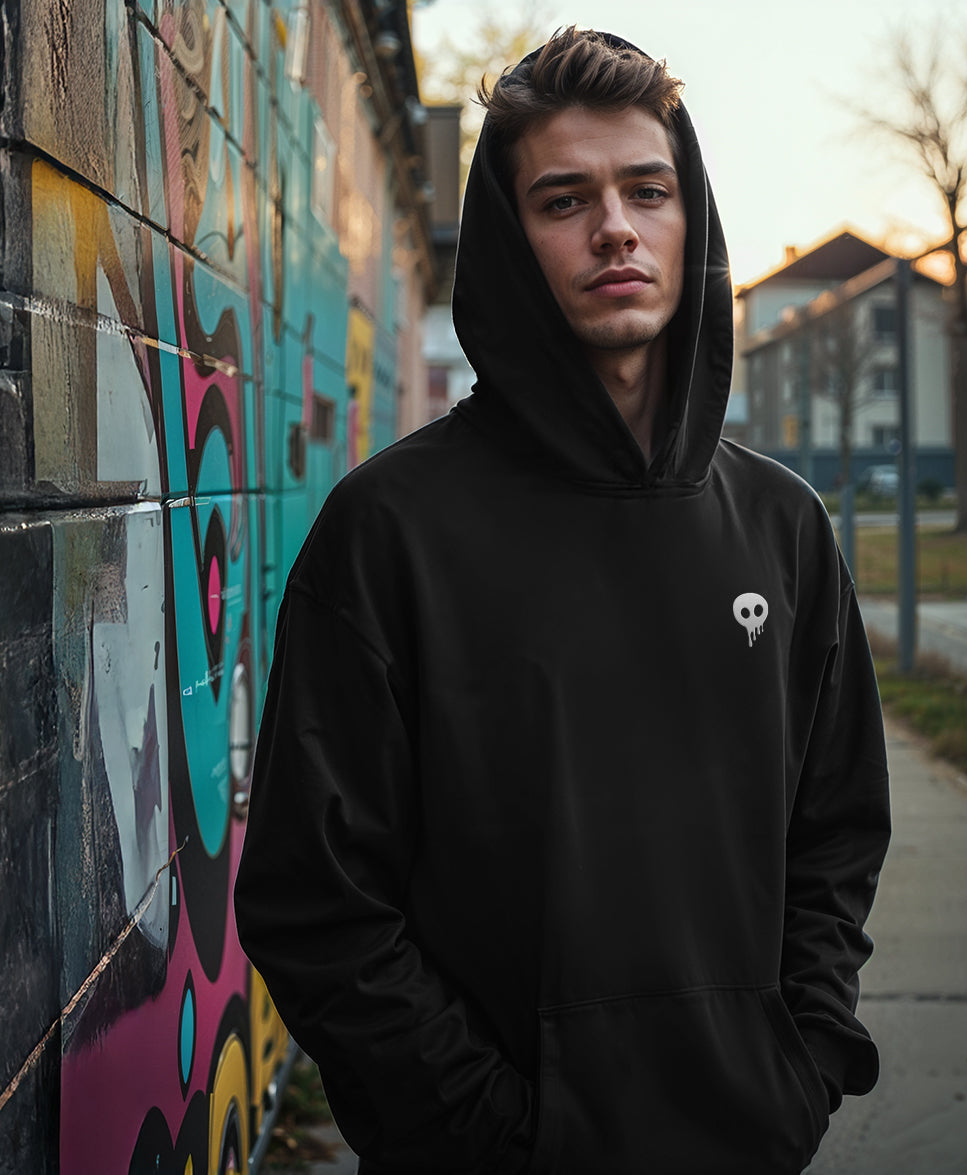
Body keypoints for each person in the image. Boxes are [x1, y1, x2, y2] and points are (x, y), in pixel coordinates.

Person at [235, 27, 890, 1175]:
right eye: (562, 199)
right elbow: (315, 895)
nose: (614, 229)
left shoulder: (781, 528)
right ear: (507, 236)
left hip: (747, 1134)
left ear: (692, 223)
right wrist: (486, 1132)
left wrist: (803, 1054)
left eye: (647, 190)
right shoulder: (391, 529)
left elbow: (835, 830)